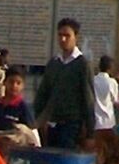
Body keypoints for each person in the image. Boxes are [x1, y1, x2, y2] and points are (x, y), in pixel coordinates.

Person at [33, 18, 90, 150]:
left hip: (72, 126)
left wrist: (90, 132)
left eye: (67, 36)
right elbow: (43, 94)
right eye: (60, 35)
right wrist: (40, 120)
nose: (63, 39)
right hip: (52, 124)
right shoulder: (54, 63)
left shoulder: (82, 64)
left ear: (76, 37)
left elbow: (88, 99)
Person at [0, 71, 35, 136]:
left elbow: (29, 131)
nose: (14, 86)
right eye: (11, 82)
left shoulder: (23, 107)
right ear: (4, 82)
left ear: (23, 86)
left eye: (18, 83)